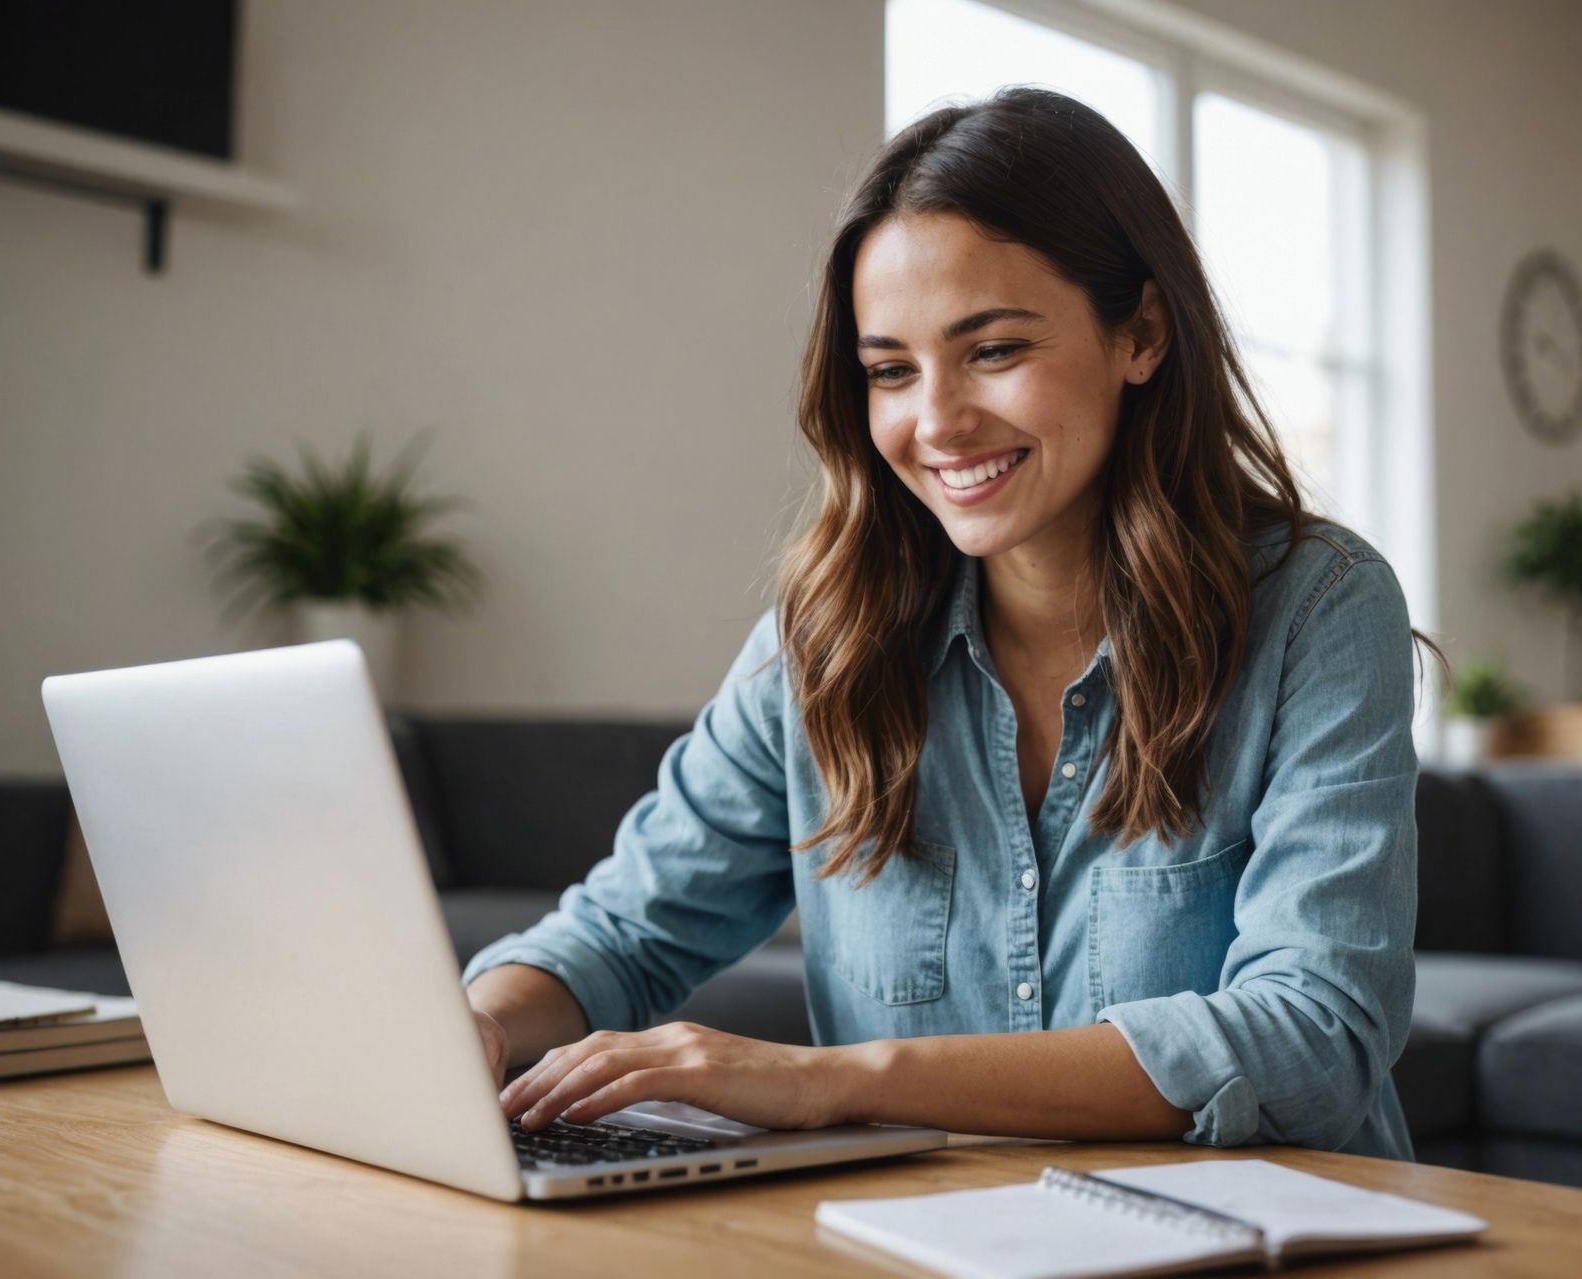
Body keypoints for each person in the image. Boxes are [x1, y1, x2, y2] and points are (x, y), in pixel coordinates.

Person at [464, 86, 1434, 1160]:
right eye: (890, 370)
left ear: (1143, 334)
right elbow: (620, 931)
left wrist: (841, 1082)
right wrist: (486, 1023)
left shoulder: (1320, 608)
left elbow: (1317, 1032)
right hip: (929, 1244)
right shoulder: (827, 636)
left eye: (994, 350)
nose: (936, 421)